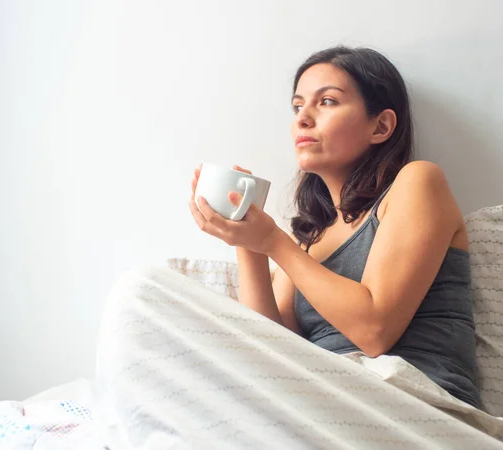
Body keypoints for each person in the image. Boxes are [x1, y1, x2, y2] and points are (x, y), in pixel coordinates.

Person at [188, 46, 481, 408]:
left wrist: (274, 243)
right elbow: (270, 350)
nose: (303, 119)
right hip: (325, 400)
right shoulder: (307, 240)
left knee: (140, 292)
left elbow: (374, 333)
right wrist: (246, 241)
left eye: (326, 101)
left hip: (414, 401)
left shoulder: (418, 181)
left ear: (381, 126)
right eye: (297, 107)